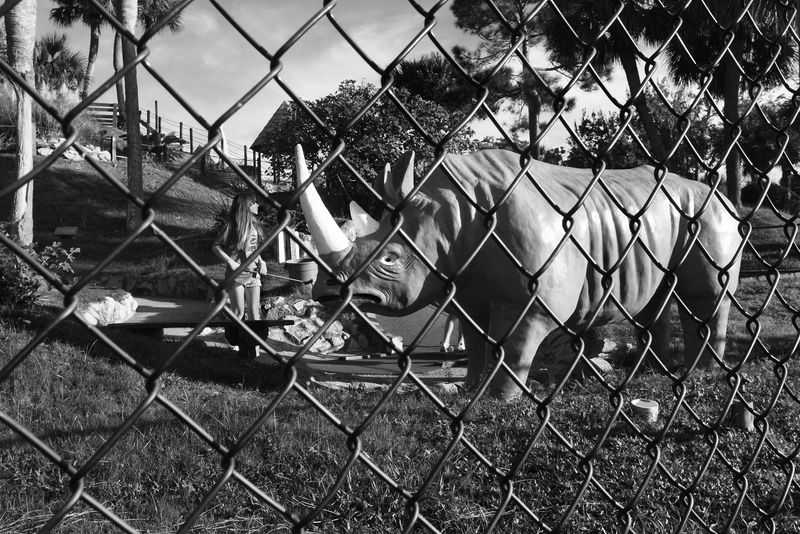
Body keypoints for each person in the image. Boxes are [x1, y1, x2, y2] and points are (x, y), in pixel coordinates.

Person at [212, 191, 268, 324]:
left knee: (254, 312)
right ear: (246, 206)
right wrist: (230, 262)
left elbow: (254, 249)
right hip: (236, 275)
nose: (257, 205)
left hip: (254, 273)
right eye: (254, 203)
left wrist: (261, 261)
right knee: (238, 312)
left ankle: (255, 342)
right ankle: (234, 341)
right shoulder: (231, 226)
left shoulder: (255, 226)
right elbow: (215, 247)